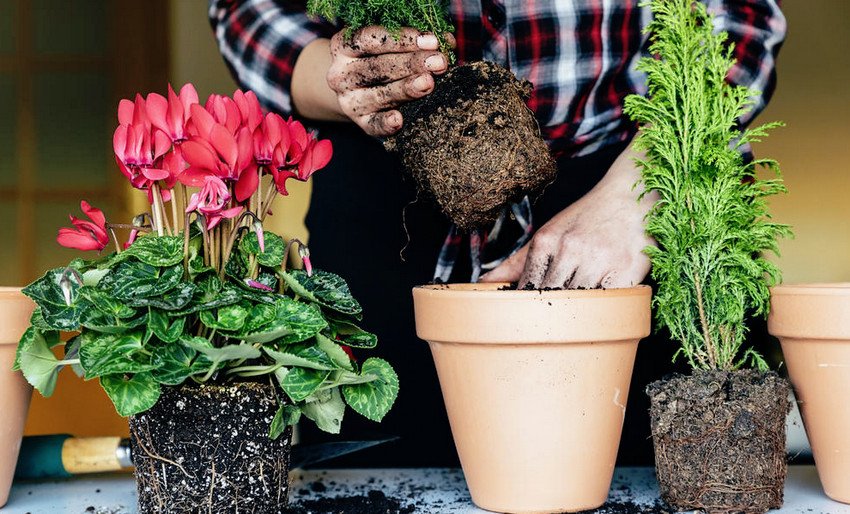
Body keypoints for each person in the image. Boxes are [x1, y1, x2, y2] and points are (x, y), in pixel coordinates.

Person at [208, 0, 786, 467]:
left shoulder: (639, 194)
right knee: (375, 472)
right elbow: (249, 12)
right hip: (388, 216)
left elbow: (740, 19)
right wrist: (346, 79)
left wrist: (645, 187)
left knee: (639, 467)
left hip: (627, 204)